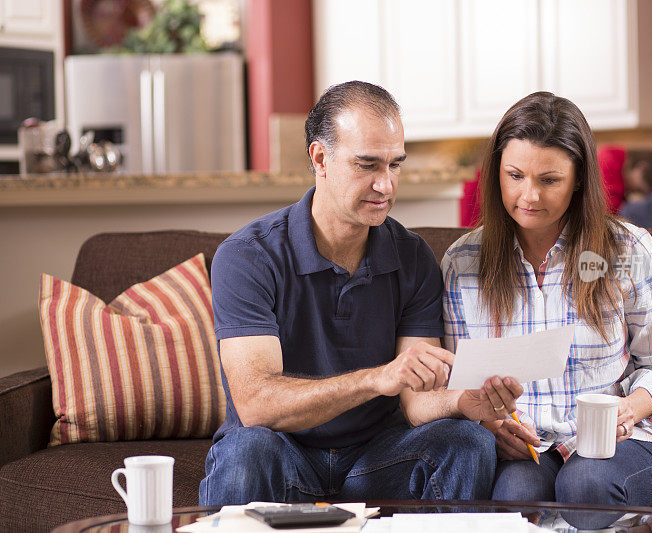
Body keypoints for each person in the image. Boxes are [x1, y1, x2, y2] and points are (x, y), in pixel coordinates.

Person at [199, 81, 521, 506]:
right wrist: (377, 378)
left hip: (378, 460)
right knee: (246, 450)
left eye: (394, 165)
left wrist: (464, 401)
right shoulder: (247, 257)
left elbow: (414, 401)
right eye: (368, 165)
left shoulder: (413, 258)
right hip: (281, 453)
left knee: (466, 442)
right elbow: (258, 405)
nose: (386, 186)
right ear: (320, 158)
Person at [441, 92, 652, 516]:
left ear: (578, 180)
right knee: (515, 498)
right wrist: (490, 425)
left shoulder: (626, 250)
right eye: (514, 175)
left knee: (586, 484)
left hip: (623, 439)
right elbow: (455, 381)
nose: (529, 195)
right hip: (531, 444)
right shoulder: (462, 263)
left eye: (549, 180)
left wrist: (630, 408)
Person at [598, 145, 652, 214]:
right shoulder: (608, 164)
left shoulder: (617, 158)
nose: (634, 190)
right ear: (642, 167)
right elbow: (608, 213)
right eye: (639, 189)